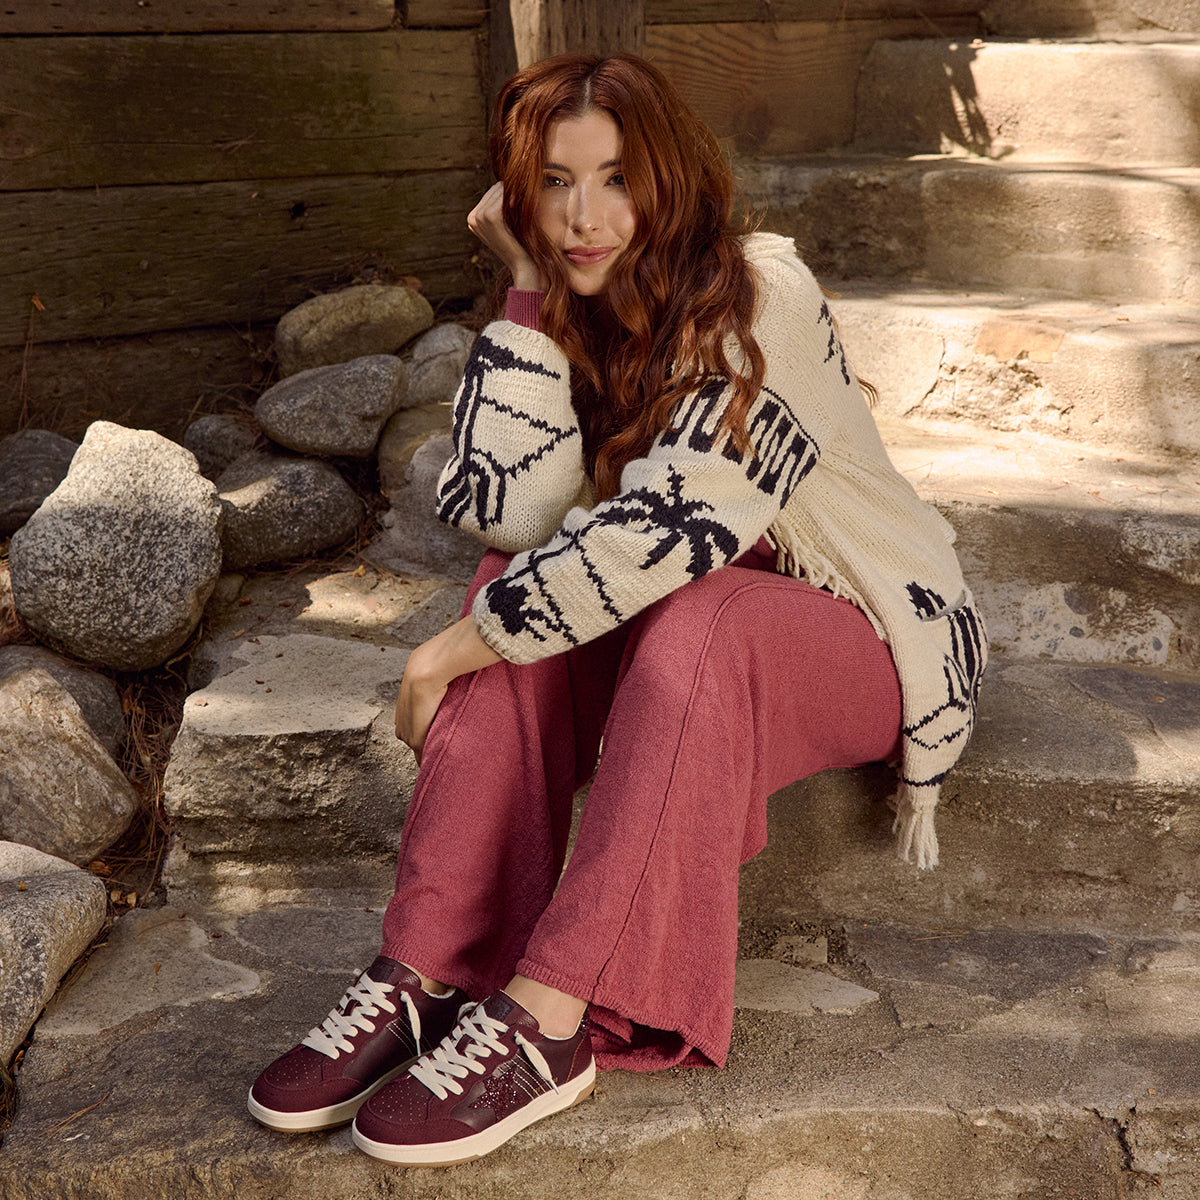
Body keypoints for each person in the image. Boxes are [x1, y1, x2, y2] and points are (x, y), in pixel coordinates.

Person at [247, 51, 986, 1166]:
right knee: (514, 587)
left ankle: (552, 1014)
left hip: (861, 632)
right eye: (555, 183)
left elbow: (666, 530)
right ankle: (430, 970)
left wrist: (439, 657)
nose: (585, 218)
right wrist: (526, 292)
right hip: (696, 627)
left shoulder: (764, 293)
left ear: (671, 179)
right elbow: (511, 513)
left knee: (686, 616)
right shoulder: (575, 303)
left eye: (616, 180)